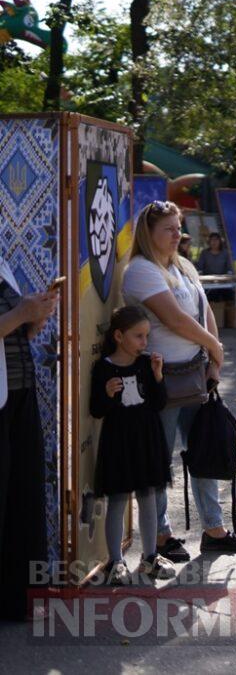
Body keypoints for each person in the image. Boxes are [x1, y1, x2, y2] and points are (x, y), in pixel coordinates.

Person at [122, 201, 236, 560]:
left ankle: (214, 529)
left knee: (205, 449)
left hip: (194, 375)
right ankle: (161, 535)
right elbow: (176, 319)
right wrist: (215, 345)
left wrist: (213, 359)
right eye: (168, 228)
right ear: (148, 233)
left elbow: (204, 310)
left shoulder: (183, 266)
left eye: (178, 227)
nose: (177, 234)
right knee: (159, 458)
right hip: (158, 379)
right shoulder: (140, 270)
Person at [90, 306, 175, 584]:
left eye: (146, 336)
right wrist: (106, 393)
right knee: (117, 499)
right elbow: (97, 410)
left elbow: (159, 403)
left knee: (148, 496)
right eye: (138, 336)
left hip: (147, 439)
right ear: (118, 336)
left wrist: (159, 375)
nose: (144, 342)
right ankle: (116, 561)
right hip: (118, 442)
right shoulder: (103, 367)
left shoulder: (146, 364)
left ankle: (150, 557)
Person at [0, 256, 58, 621]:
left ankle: (15, 598)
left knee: (21, 496)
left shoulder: (4, 263)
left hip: (18, 397)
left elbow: (19, 333)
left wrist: (35, 318)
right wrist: (22, 314)